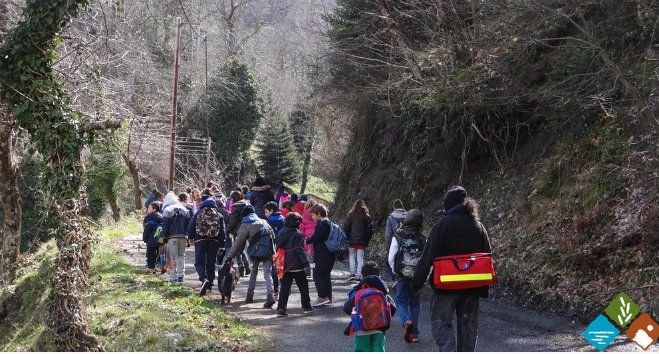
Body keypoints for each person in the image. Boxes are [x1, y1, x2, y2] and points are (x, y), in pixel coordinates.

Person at [411, 186, 492, 352]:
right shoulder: (479, 226)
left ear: (448, 206)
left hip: (446, 287)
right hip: (471, 287)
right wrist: (483, 289)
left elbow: (427, 257)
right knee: (468, 325)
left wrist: (417, 284)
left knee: (442, 323)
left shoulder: (443, 225)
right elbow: (487, 258)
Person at [226, 205, 276, 308]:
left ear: (244, 215)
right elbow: (273, 236)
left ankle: (250, 296)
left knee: (254, 271)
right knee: (267, 273)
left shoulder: (246, 224)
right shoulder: (264, 221)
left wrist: (230, 256)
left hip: (255, 252)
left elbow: (238, 242)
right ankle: (270, 295)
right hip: (268, 250)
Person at [388, 209, 426, 343]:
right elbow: (426, 260)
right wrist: (424, 277)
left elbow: (391, 257)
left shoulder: (398, 235)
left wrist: (396, 272)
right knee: (414, 304)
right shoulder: (422, 238)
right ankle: (414, 334)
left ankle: (406, 322)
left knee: (400, 301)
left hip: (402, 276)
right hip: (417, 277)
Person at [342, 261, 396, 352]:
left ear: (362, 276)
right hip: (380, 328)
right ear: (379, 276)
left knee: (362, 350)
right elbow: (393, 309)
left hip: (361, 328)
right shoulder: (383, 291)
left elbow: (347, 308)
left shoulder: (358, 290)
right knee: (378, 350)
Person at [274, 212, 314, 317]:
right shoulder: (298, 234)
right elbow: (299, 250)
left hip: (284, 264)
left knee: (284, 288)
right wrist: (306, 264)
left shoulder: (281, 231)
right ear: (296, 223)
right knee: (303, 286)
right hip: (296, 265)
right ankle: (306, 306)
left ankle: (281, 309)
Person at [189, 188, 226, 296]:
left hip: (200, 240)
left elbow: (191, 225)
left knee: (199, 262)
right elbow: (223, 231)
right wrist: (222, 244)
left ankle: (203, 278)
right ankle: (209, 285)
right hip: (214, 241)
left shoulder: (199, 212)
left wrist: (190, 238)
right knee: (211, 263)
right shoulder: (218, 215)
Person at [305, 204, 335, 306]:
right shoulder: (330, 223)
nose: (312, 217)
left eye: (313, 215)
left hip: (322, 253)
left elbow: (315, 237)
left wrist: (307, 240)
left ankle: (322, 297)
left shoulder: (321, 224)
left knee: (317, 274)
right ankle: (328, 297)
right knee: (325, 275)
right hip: (330, 253)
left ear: (318, 213)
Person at [161, 191, 191, 282]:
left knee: (173, 256)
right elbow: (188, 224)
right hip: (183, 237)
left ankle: (173, 276)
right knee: (182, 255)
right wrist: (188, 236)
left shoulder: (167, 210)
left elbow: (165, 226)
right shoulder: (185, 210)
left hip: (172, 237)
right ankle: (181, 275)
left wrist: (162, 239)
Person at [343, 200, 374, 281]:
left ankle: (352, 273)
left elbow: (346, 227)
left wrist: (347, 237)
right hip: (362, 240)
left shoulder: (351, 215)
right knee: (360, 257)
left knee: (351, 256)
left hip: (351, 239)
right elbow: (370, 229)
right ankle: (359, 274)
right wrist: (367, 239)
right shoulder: (367, 216)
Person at [227, 191, 251, 277]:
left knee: (237, 249)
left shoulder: (236, 206)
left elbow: (233, 220)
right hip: (248, 228)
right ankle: (247, 267)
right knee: (242, 249)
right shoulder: (247, 204)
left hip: (238, 230)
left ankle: (241, 268)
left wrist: (228, 230)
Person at [264, 201, 284, 298]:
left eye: (266, 212)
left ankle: (276, 290)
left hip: (273, 248)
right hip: (284, 247)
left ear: (271, 211)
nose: (265, 214)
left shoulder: (269, 221)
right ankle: (285, 289)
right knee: (283, 268)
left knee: (274, 269)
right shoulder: (284, 218)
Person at [384, 199, 407, 281]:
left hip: (395, 240)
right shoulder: (408, 215)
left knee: (389, 261)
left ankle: (395, 277)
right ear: (402, 206)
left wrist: (388, 243)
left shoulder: (391, 217)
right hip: (408, 240)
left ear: (394, 207)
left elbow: (388, 234)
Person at [142, 202, 162, 274]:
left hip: (151, 239)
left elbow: (147, 229)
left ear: (154, 209)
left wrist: (145, 238)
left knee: (151, 254)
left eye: (149, 207)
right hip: (160, 239)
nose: (147, 209)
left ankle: (151, 269)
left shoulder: (150, 217)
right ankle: (159, 267)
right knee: (160, 253)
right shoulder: (161, 217)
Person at [299, 198, 318, 272]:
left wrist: (303, 237)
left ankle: (310, 270)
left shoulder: (303, 215)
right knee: (316, 254)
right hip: (316, 235)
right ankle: (316, 269)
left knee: (308, 255)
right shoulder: (317, 215)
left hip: (307, 237)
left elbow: (301, 228)